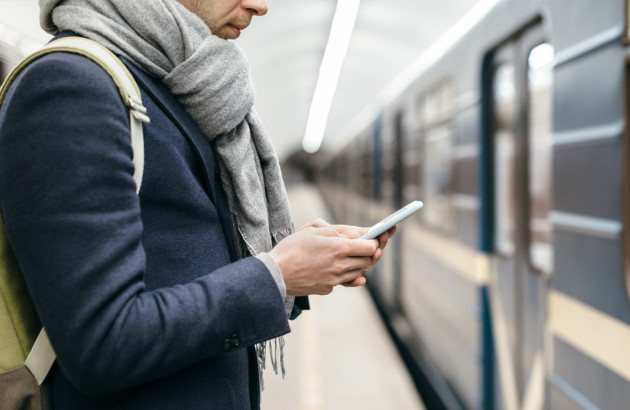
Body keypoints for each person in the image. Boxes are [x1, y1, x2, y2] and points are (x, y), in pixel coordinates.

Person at [0, 0, 395, 409]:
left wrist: (296, 261)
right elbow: (102, 344)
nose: (259, 6)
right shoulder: (70, 86)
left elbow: (184, 261)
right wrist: (276, 275)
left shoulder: (173, 89)